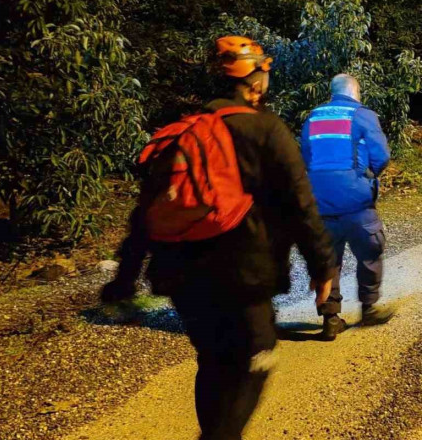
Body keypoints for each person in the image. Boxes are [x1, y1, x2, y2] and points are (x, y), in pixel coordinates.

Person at [99, 36, 337, 440]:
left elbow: (143, 214)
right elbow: (301, 203)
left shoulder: (180, 133)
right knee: (257, 355)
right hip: (243, 272)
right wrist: (322, 268)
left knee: (212, 361)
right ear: (255, 81)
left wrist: (125, 278)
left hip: (179, 273)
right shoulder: (265, 128)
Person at [300, 74, 394, 341]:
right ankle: (369, 308)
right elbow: (381, 156)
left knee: (329, 258)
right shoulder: (362, 115)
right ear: (355, 91)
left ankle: (330, 319)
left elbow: (307, 155)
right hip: (355, 199)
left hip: (320, 200)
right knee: (370, 250)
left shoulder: (313, 117)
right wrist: (369, 176)